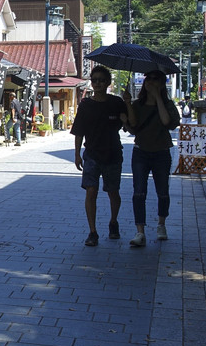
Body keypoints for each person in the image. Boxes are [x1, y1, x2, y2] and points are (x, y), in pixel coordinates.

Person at [70, 65, 129, 246]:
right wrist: (77, 154)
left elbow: (128, 125)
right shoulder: (86, 105)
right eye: (94, 80)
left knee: (113, 192)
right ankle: (93, 231)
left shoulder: (116, 103)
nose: (97, 83)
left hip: (113, 153)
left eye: (101, 80)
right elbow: (79, 130)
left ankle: (113, 222)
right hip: (92, 154)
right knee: (91, 191)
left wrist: (128, 104)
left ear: (108, 83)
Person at [125, 70, 181, 247]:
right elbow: (133, 125)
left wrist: (158, 98)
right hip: (141, 151)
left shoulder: (167, 104)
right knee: (139, 192)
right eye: (148, 78)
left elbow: (167, 122)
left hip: (162, 152)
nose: (150, 81)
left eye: (155, 79)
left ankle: (161, 225)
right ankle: (140, 231)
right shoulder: (138, 104)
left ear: (162, 84)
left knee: (162, 191)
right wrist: (127, 103)